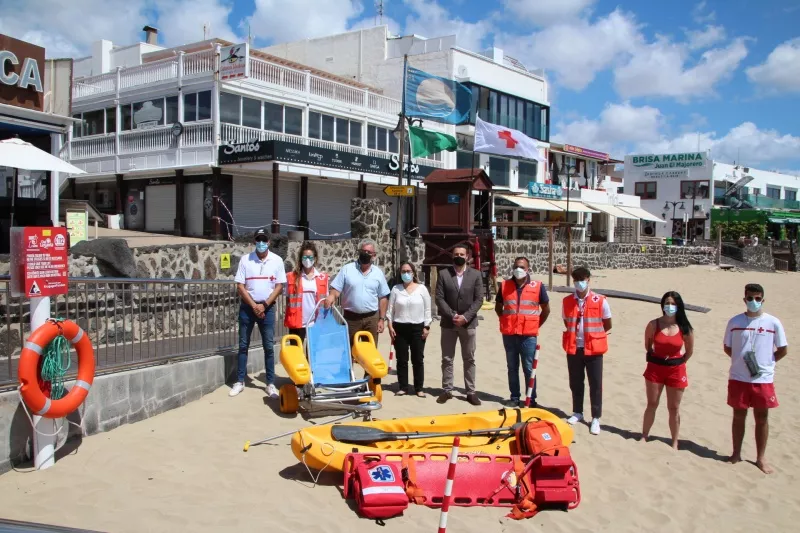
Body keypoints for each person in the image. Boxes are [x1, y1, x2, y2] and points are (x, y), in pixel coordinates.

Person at [723, 283, 788, 474]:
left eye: (758, 298)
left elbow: (783, 349)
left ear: (763, 300)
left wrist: (768, 363)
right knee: (738, 416)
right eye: (750, 298)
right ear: (744, 299)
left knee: (762, 418)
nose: (754, 302)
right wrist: (739, 361)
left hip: (763, 379)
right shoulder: (734, 322)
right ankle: (736, 454)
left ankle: (760, 458)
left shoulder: (773, 323)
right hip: (738, 377)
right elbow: (727, 347)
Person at [230, 228, 286, 398]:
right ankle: (240, 381)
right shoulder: (245, 260)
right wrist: (254, 305)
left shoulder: (277, 260)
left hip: (267, 309)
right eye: (258, 240)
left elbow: (279, 286)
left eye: (264, 240)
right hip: (248, 308)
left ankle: (270, 383)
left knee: (268, 346)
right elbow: (240, 285)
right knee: (243, 345)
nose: (261, 243)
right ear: (254, 242)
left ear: (269, 242)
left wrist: (264, 305)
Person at [641, 291, 694, 449]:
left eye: (673, 304)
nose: (669, 307)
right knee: (652, 403)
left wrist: (677, 361)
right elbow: (647, 345)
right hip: (655, 368)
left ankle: (674, 441)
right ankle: (644, 436)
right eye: (667, 303)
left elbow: (689, 351)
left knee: (674, 407)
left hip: (675, 370)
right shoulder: (653, 324)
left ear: (678, 306)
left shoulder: (685, 328)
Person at [495, 256, 550, 408]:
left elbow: (546, 309)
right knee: (512, 367)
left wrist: (536, 324)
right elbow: (498, 307)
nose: (519, 270)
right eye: (517, 266)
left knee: (528, 367)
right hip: (509, 334)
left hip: (528, 335)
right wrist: (505, 320)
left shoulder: (537, 286)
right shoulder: (505, 285)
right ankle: (514, 397)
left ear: (528, 269)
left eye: (522, 267)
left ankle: (530, 399)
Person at [562, 266, 611, 435]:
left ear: (589, 279)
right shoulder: (567, 301)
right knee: (575, 382)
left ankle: (596, 417)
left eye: (582, 279)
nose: (579, 283)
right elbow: (566, 321)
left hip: (594, 348)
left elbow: (607, 323)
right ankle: (577, 411)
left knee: (595, 384)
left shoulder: (600, 300)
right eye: (576, 280)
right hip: (574, 347)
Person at [435, 242, 485, 406]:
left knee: (469, 358)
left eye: (462, 254)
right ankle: (447, 390)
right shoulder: (443, 274)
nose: (459, 257)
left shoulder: (476, 275)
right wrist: (452, 315)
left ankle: (470, 392)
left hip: (468, 324)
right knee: (447, 358)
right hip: (449, 324)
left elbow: (479, 299)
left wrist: (466, 317)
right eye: (456, 254)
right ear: (452, 256)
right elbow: (439, 298)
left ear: (467, 256)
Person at [324, 238, 390, 345]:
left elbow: (383, 297)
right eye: (363, 251)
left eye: (369, 252)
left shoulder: (378, 273)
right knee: (348, 351)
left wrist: (381, 319)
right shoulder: (347, 269)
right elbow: (336, 289)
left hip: (371, 318)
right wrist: (331, 297)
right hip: (351, 318)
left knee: (370, 353)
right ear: (359, 252)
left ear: (374, 255)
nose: (365, 254)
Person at [386, 262, 432, 397]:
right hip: (400, 327)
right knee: (401, 359)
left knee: (417, 359)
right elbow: (390, 310)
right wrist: (389, 325)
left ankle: (419, 388)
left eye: (408, 271)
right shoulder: (396, 289)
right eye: (403, 271)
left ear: (413, 272)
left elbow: (427, 309)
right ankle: (403, 387)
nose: (406, 273)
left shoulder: (422, 289)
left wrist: (427, 326)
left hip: (418, 327)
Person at [284, 242, 328, 342]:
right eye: (305, 257)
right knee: (296, 354)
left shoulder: (322, 278)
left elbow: (325, 300)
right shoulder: (291, 277)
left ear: (315, 258)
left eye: (310, 257)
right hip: (297, 322)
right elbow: (288, 299)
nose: (307, 260)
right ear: (300, 258)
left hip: (315, 323)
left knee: (313, 355)